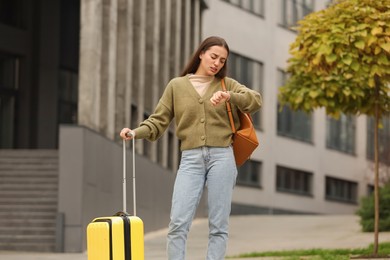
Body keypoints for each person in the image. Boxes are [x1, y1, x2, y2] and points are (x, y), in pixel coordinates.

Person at [120, 36, 262, 260]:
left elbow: (255, 100)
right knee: (178, 223)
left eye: (222, 61)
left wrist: (229, 96)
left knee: (218, 225)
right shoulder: (177, 86)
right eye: (213, 57)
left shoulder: (227, 85)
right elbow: (158, 121)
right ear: (201, 53)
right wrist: (136, 132)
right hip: (190, 159)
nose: (217, 63)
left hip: (222, 157)